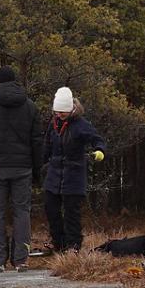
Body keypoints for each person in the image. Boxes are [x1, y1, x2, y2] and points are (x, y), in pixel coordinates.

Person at [0, 65, 42, 272]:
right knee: (22, 211)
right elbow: (37, 141)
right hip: (23, 167)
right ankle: (21, 260)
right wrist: (38, 170)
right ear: (15, 81)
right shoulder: (30, 106)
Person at [41, 87, 107, 254]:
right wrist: (39, 163)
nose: (60, 115)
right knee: (51, 208)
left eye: (63, 112)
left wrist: (99, 151)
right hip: (54, 174)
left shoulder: (82, 125)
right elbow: (47, 146)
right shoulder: (53, 124)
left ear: (71, 109)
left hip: (74, 173)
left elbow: (97, 140)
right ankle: (58, 242)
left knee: (72, 212)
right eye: (57, 112)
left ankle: (73, 245)